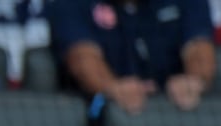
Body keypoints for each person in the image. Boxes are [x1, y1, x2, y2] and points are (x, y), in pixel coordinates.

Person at [46, 0, 214, 115]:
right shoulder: (71, 3)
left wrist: (193, 80)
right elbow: (82, 56)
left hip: (174, 110)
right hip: (101, 115)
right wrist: (112, 87)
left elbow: (198, 46)